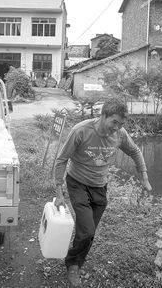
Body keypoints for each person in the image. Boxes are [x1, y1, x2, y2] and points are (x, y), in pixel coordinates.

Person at [53, 98, 152, 287]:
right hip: (78, 183)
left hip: (100, 186)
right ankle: (73, 264)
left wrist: (144, 176)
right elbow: (61, 160)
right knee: (88, 230)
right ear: (103, 115)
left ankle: (77, 261)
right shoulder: (81, 131)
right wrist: (59, 192)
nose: (117, 127)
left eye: (121, 124)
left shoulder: (119, 134)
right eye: (114, 122)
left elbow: (135, 151)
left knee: (89, 233)